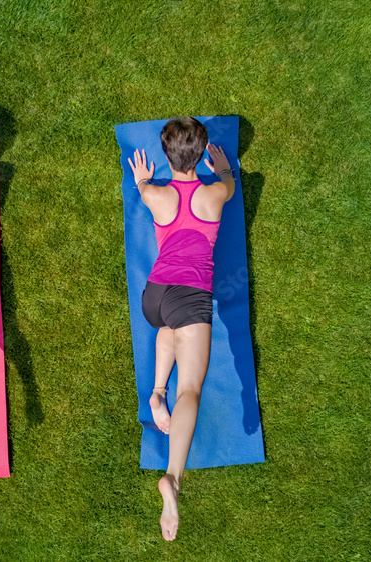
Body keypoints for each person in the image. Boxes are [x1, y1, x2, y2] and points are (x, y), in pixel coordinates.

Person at [127, 117, 235, 540]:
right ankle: (172, 477)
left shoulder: (154, 194)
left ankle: (155, 393)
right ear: (202, 154)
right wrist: (222, 166)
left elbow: (144, 189)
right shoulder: (215, 194)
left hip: (155, 297)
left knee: (169, 328)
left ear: (165, 154)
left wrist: (141, 179)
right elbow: (227, 180)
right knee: (190, 389)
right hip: (189, 298)